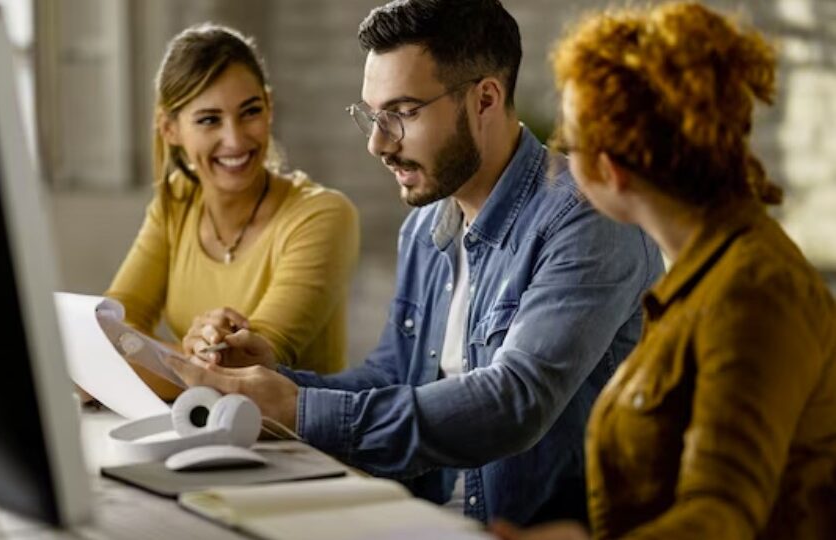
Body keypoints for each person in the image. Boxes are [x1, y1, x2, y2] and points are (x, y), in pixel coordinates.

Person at [164, 0, 663, 526]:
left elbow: (516, 401)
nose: (378, 143)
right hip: (424, 520)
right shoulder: (427, 227)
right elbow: (394, 377)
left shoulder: (587, 219)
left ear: (485, 100)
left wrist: (299, 410)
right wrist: (271, 381)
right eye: (372, 116)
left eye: (401, 113)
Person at [497, 2, 836, 538]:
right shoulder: (702, 277)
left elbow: (720, 515)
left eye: (570, 141)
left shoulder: (754, 293)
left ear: (610, 168)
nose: (558, 158)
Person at [106, 24, 359, 401]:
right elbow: (112, 326)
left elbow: (246, 369)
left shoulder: (323, 215)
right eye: (209, 119)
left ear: (269, 107)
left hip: (300, 448)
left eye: (250, 112)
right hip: (202, 430)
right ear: (170, 129)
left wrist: (126, 362)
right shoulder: (175, 203)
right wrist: (188, 359)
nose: (236, 139)